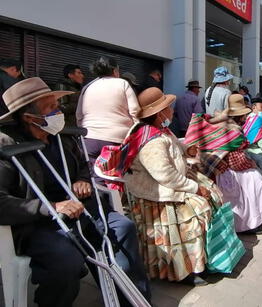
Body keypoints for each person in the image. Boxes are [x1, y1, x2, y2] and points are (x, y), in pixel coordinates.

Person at [0, 77, 150, 306]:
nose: (58, 111)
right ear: (30, 117)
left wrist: (82, 180)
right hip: (39, 223)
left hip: (83, 209)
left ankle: (131, 299)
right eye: (50, 108)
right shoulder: (7, 146)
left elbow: (84, 166)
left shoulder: (63, 137)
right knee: (66, 260)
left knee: (123, 228)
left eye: (56, 104)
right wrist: (50, 208)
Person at [123, 87, 214, 285]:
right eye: (169, 108)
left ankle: (199, 261)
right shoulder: (150, 141)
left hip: (169, 184)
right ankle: (182, 270)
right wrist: (194, 188)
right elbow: (165, 175)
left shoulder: (159, 129)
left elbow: (173, 144)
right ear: (159, 114)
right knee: (197, 209)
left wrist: (185, 148)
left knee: (211, 192)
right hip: (156, 192)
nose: (172, 111)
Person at [186, 94, 262, 233]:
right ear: (240, 116)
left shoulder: (215, 123)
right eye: (244, 115)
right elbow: (236, 161)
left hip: (208, 168)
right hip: (221, 171)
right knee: (254, 179)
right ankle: (246, 225)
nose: (246, 117)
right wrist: (251, 164)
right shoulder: (234, 131)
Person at [76, 56, 140, 177]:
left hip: (90, 140)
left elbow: (79, 115)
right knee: (116, 178)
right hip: (117, 141)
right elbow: (135, 112)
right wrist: (135, 134)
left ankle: (100, 195)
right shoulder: (122, 83)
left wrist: (86, 132)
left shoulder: (87, 86)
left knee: (96, 178)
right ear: (115, 71)